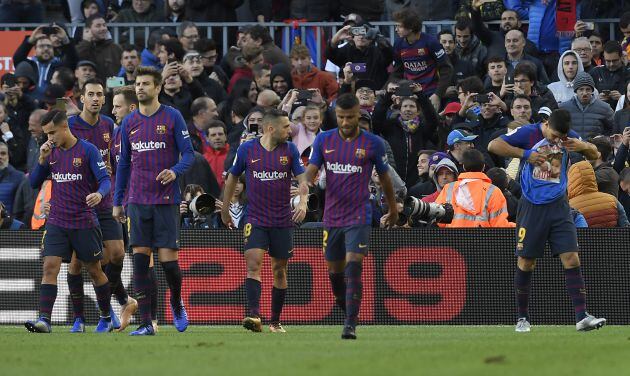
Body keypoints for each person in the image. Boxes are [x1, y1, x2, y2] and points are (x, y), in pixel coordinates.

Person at [488, 108, 606, 333]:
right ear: (546, 124)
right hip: (532, 206)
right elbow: (493, 146)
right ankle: (522, 318)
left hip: (559, 206)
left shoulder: (568, 137)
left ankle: (582, 317)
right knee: (526, 262)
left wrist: (583, 146)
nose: (557, 141)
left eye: (561, 137)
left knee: (571, 258)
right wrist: (526, 155)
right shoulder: (529, 133)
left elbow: (594, 155)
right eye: (553, 136)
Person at [304, 93, 398, 340]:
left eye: (350, 117)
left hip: (359, 214)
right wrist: (304, 184)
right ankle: (346, 307)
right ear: (336, 116)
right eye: (341, 117)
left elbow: (386, 178)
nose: (345, 122)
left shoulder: (373, 143)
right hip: (332, 217)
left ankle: (350, 324)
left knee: (354, 265)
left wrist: (393, 209)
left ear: (359, 115)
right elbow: (311, 171)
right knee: (335, 275)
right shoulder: (324, 140)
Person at [113, 66, 194, 336]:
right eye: (137, 84)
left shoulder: (172, 117)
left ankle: (176, 300)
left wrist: (174, 171)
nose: (140, 88)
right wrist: (117, 201)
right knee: (139, 262)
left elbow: (189, 155)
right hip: (137, 199)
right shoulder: (129, 122)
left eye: (146, 83)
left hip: (166, 199)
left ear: (158, 87)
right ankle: (147, 323)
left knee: (169, 264)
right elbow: (123, 164)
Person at [24, 109, 112, 333]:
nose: (49, 138)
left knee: (94, 271)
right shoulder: (50, 152)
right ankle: (45, 320)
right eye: (46, 134)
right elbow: (34, 182)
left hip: (84, 221)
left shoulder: (88, 150)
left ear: (65, 127)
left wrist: (99, 194)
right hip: (57, 221)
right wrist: (42, 159)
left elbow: (105, 180)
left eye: (52, 133)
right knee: (49, 267)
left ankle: (105, 316)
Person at [222, 108, 308, 333]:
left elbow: (302, 179)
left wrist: (303, 202)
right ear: (272, 128)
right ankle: (254, 315)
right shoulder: (247, 149)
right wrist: (224, 208)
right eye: (286, 127)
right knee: (253, 265)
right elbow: (232, 177)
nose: (290, 130)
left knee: (279, 269)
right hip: (256, 217)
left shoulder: (290, 150)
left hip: (282, 219)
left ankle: (275, 321)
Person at [66, 78, 136, 333]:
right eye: (90, 94)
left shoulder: (110, 126)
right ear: (81, 99)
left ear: (104, 100)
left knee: (116, 254)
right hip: (78, 204)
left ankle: (115, 303)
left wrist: (109, 169)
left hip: (105, 200)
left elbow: (119, 163)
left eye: (99, 95)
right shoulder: (70, 126)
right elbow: (61, 160)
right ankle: (80, 318)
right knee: (77, 262)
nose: (95, 99)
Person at [392, 9, 453, 110]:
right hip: (410, 94)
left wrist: (438, 94)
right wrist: (391, 87)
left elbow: (446, 69)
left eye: (399, 26)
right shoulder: (398, 44)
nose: (396, 29)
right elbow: (397, 72)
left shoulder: (431, 42)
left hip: (430, 93)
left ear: (411, 27)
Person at [436, 149, 512, 227]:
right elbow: (499, 226)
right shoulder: (494, 191)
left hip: (452, 239)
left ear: (463, 167)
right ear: (483, 167)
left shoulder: (448, 188)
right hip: (483, 239)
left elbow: (438, 221)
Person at [568, 160, 627, 227]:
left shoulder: (570, 206)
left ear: (571, 180)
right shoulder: (612, 199)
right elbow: (625, 226)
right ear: (592, 175)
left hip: (585, 237)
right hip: (613, 237)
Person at [559, 72, 614, 139]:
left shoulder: (605, 108)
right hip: (571, 146)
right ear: (576, 91)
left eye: (588, 89)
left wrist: (604, 139)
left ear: (592, 90)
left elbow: (614, 128)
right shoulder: (563, 108)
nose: (584, 93)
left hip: (595, 148)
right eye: (581, 89)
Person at [589, 41, 630, 110]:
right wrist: (596, 99)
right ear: (603, 57)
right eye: (608, 61)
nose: (611, 64)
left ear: (621, 57)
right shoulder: (595, 72)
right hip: (600, 113)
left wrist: (622, 98)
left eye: (615, 61)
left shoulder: (628, 73)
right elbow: (585, 95)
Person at [203, 120, 230, 189]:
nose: (217, 137)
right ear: (207, 138)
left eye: (220, 134)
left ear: (226, 136)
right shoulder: (203, 159)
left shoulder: (235, 156)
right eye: (213, 135)